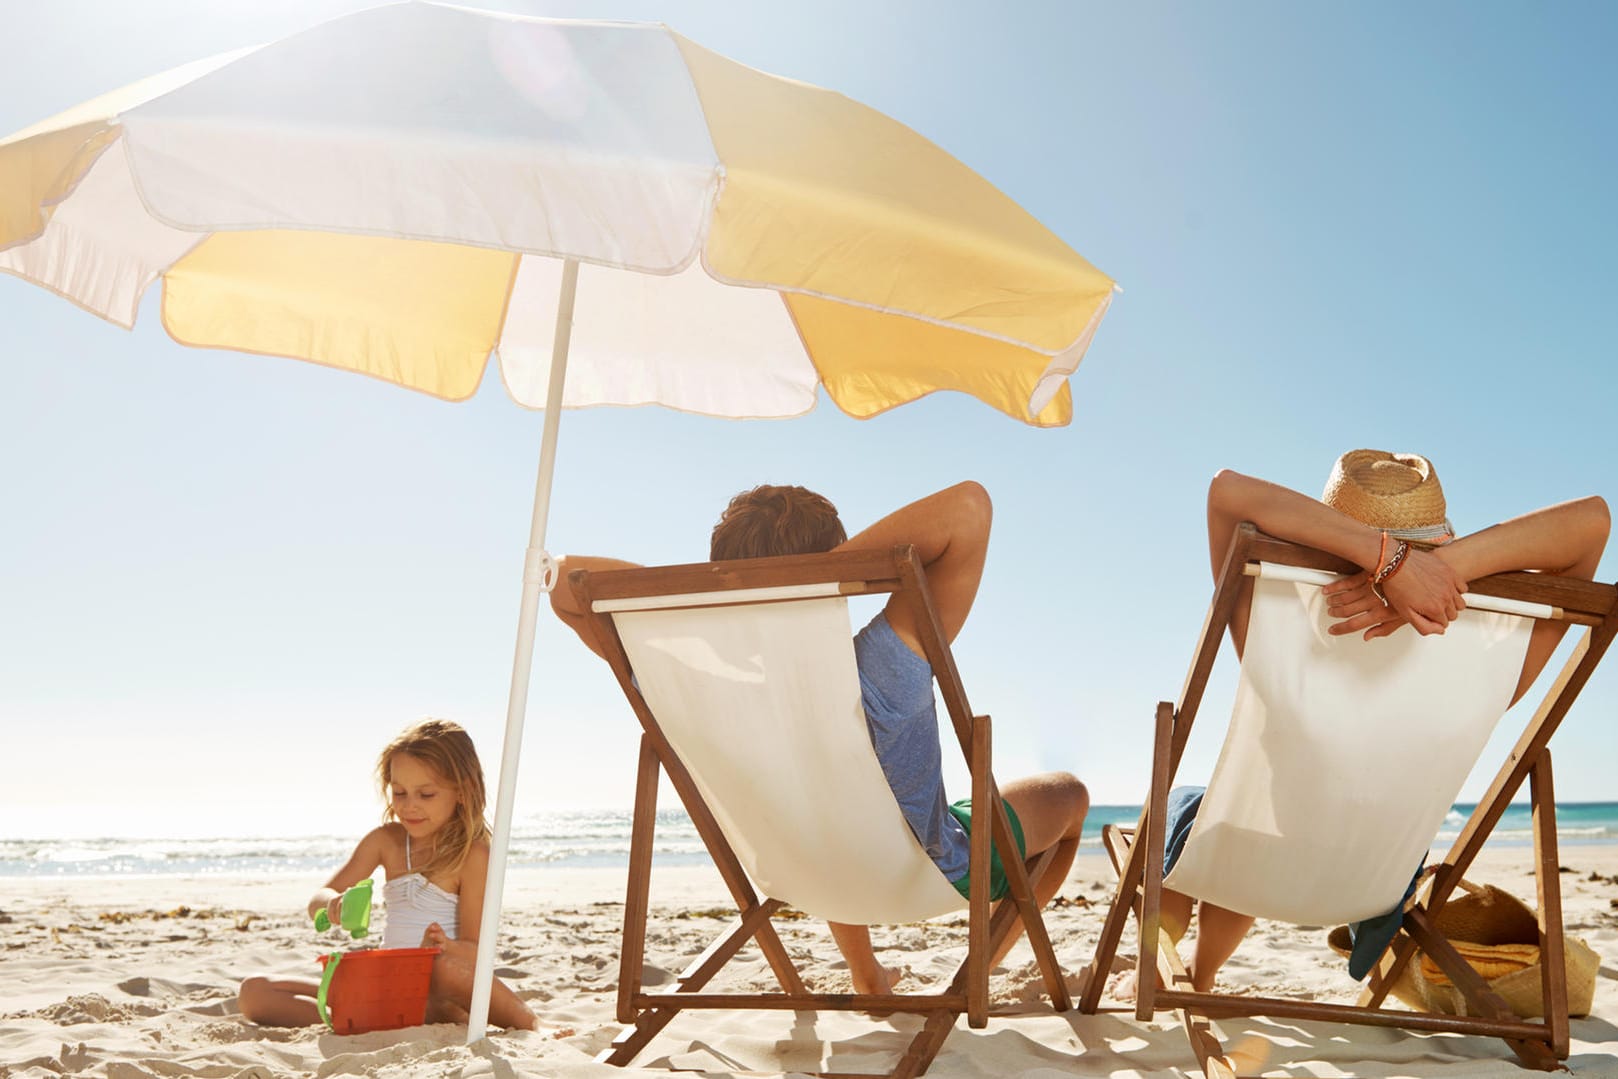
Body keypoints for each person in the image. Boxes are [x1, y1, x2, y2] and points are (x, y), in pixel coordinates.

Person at [549, 481, 1090, 995]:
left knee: (820, 800)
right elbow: (968, 508)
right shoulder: (885, 665)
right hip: (929, 872)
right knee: (1069, 795)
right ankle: (975, 975)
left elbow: (565, 584)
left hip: (798, 872)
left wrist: (728, 595)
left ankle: (867, 975)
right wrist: (825, 577)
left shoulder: (683, 682)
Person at [1138, 449, 1609, 997]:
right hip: (1374, 887)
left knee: (1206, 809)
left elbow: (1226, 492)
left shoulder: (1276, 627)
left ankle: (1185, 973)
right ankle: (1202, 973)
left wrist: (1388, 560)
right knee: (1243, 822)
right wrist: (1438, 567)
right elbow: (1594, 521)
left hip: (1245, 865)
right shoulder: (1492, 661)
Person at [236, 719, 538, 1031]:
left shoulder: (472, 856)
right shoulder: (386, 841)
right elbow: (316, 902)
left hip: (440, 994)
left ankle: (533, 1024)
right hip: (386, 988)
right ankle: (365, 1019)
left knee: (442, 967)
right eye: (399, 792)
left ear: (463, 792)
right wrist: (332, 905)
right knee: (254, 992)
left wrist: (444, 946)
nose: (409, 806)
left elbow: (478, 951)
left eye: (426, 794)